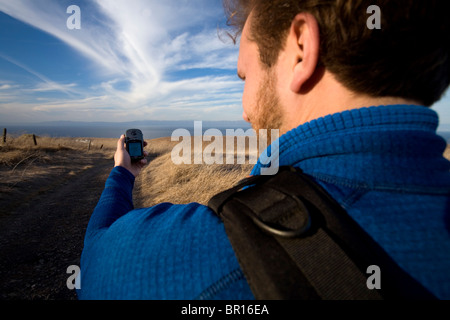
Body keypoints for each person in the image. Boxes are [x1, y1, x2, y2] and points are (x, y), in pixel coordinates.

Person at [78, 0, 450, 300]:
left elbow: (95, 262)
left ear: (302, 48)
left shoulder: (209, 256)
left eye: (246, 75)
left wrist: (123, 174)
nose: (244, 110)